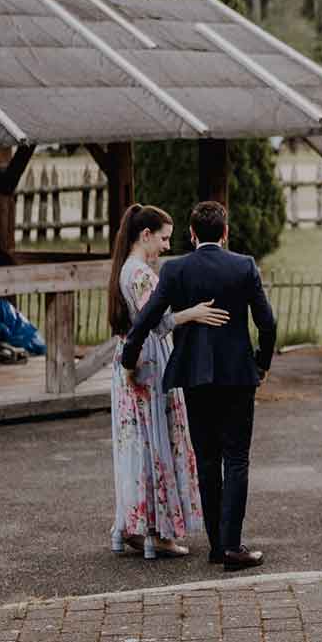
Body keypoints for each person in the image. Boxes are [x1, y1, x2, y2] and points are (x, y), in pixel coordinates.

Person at [121, 200, 278, 572]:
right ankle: (233, 547)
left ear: (191, 235)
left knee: (207, 460)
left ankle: (216, 546)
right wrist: (262, 364)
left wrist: (129, 358)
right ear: (224, 233)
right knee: (236, 459)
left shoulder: (175, 269)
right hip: (238, 377)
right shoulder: (244, 266)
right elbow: (267, 323)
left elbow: (145, 319)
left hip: (194, 377)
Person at [107, 204, 229, 560]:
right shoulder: (142, 274)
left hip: (128, 360)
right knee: (156, 442)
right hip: (148, 360)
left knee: (136, 445)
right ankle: (157, 532)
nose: (165, 246)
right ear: (145, 235)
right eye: (162, 238)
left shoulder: (124, 270)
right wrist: (193, 313)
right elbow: (156, 323)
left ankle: (131, 523)